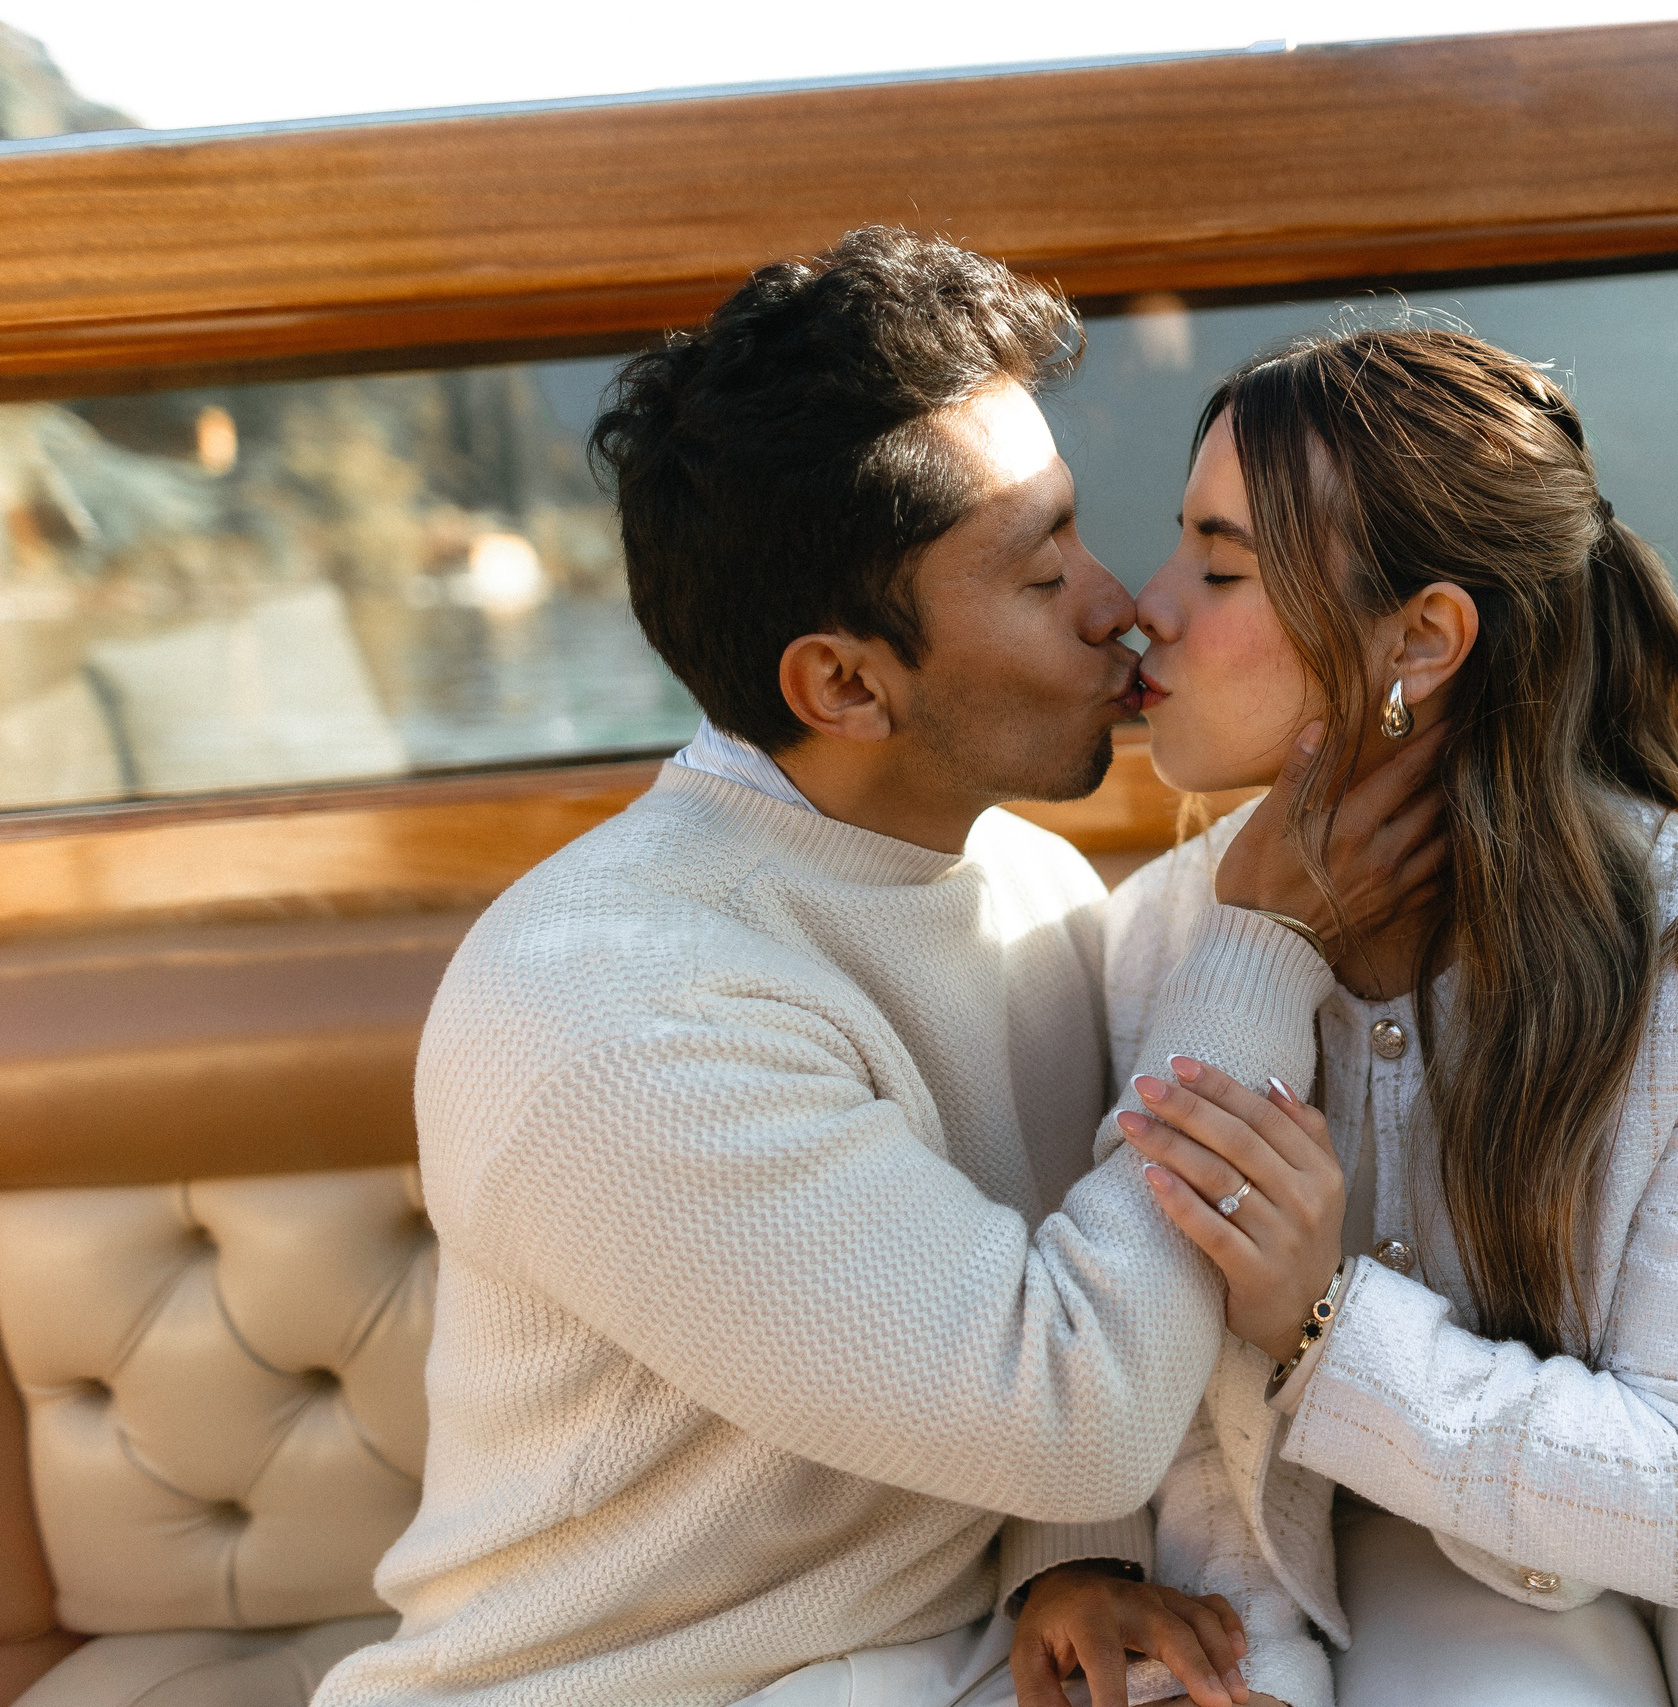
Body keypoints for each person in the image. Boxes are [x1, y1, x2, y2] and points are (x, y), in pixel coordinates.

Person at [313, 231, 1444, 1707]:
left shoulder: (1026, 887)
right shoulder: (613, 1005)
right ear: (842, 684)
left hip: (947, 1663)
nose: (1123, 605)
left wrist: (1070, 1559)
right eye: (1044, 576)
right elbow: (1072, 1406)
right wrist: (1261, 936)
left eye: (1081, 533)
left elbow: (1036, 1352)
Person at [1105, 327, 1678, 1707]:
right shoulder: (1166, 943)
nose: (1151, 609)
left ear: (1420, 640)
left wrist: (1322, 1316)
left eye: (1219, 565)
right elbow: (1189, 1424)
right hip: (1418, 1524)